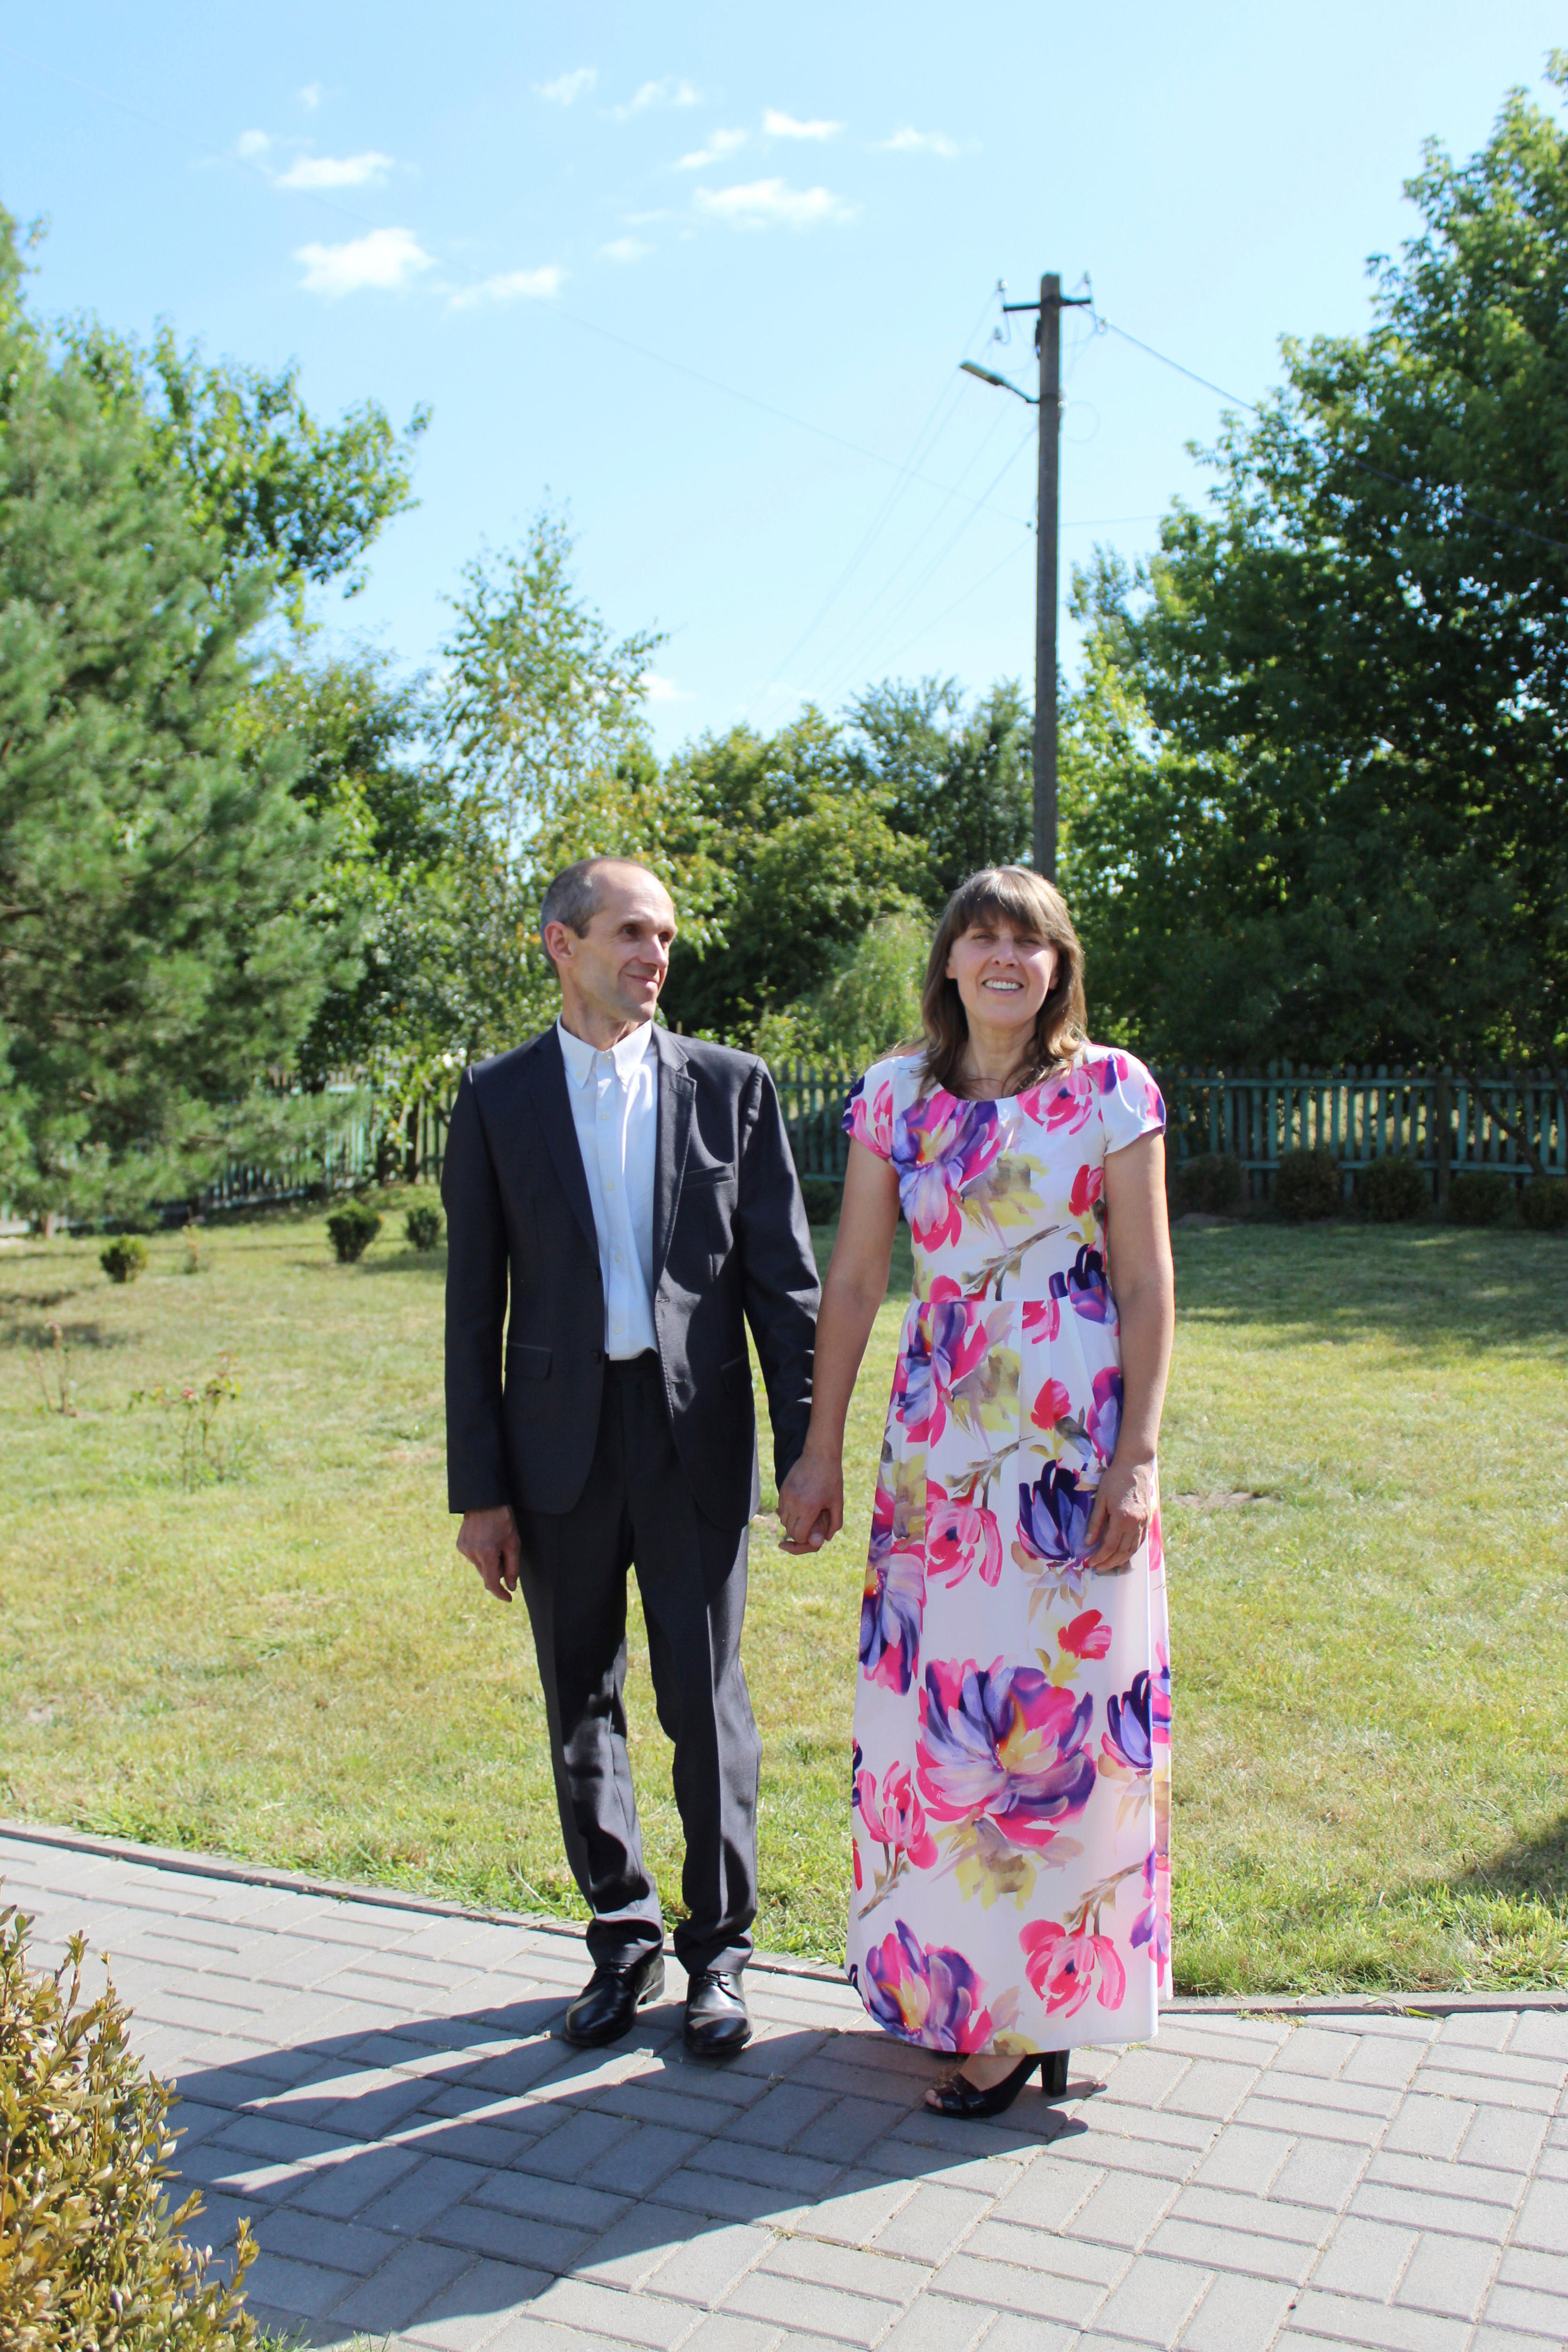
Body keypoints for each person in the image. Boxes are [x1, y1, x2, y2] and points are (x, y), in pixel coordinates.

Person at [778, 866, 1174, 2119]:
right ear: (946, 962)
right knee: (939, 1723)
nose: (1004, 957)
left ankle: (1029, 2009)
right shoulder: (891, 1097)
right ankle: (955, 1981)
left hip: (1069, 1439)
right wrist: (815, 1447)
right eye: (981, 938)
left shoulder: (1109, 1089)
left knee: (1053, 1720)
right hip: (935, 1444)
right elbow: (849, 1286)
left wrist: (1140, 1457)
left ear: (1058, 967)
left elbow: (1150, 1285)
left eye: (1030, 941)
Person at [442, 856, 820, 2058]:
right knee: (577, 1702)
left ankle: (719, 1953)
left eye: (663, 937)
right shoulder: (496, 1100)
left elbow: (785, 1291)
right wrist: (479, 1492)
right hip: (554, 1449)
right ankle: (622, 1935)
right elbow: (469, 1309)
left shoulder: (730, 1088)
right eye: (628, 934)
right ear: (560, 945)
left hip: (692, 1435)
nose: (654, 956)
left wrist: (809, 1453)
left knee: (700, 1700)